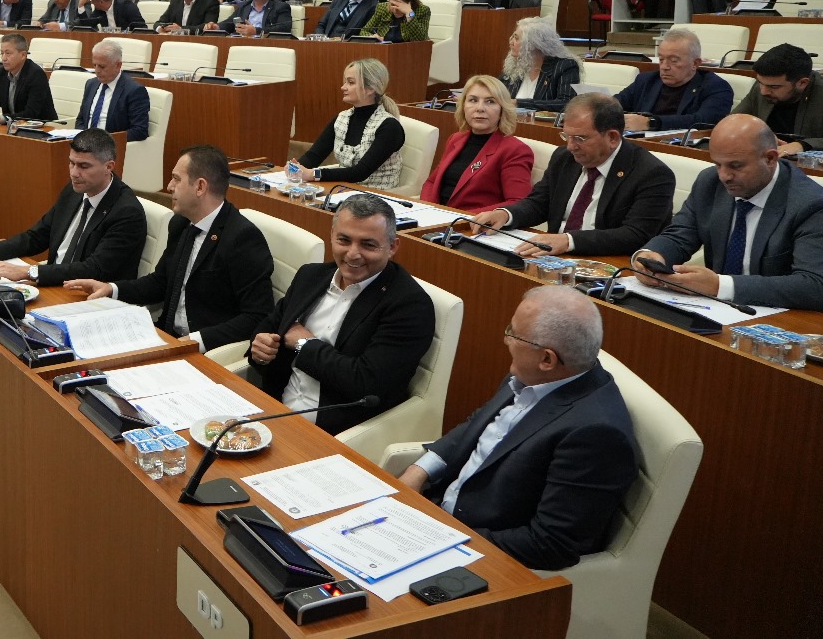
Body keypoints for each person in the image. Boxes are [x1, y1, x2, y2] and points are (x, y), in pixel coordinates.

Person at [397, 285, 639, 571]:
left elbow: (550, 544)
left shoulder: (596, 435)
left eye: (513, 333)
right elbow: (478, 424)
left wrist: (444, 537)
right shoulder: (535, 376)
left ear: (547, 359)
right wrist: (418, 471)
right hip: (434, 514)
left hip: (474, 552)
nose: (505, 339)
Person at [246, 195, 435, 433]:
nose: (352, 254)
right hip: (269, 409)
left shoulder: (409, 305)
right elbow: (268, 327)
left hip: (334, 431)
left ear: (392, 247)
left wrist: (305, 344)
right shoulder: (310, 276)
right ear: (332, 236)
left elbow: (365, 384)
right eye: (344, 240)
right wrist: (261, 349)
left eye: (368, 244)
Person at [65, 145, 273, 350]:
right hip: (166, 337)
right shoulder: (181, 224)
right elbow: (161, 282)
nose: (169, 186)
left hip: (207, 352)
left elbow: (257, 316)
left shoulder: (242, 238)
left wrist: (196, 341)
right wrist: (111, 289)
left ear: (200, 187)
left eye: (176, 179)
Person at [633, 114, 823, 310]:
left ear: (770, 158)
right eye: (717, 164)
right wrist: (651, 256)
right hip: (715, 310)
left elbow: (814, 285)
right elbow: (679, 235)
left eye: (736, 166)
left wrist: (719, 285)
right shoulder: (710, 183)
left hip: (779, 320)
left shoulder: (811, 205)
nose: (724, 176)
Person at [470, 93, 675, 256]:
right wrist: (505, 214)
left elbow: (635, 235)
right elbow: (539, 203)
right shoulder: (564, 158)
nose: (570, 146)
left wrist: (569, 241)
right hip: (552, 257)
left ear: (612, 137)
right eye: (566, 136)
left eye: (580, 138)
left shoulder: (652, 174)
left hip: (604, 263)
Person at [0, 129, 145, 285]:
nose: (74, 173)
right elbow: (37, 236)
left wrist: (29, 272)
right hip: (53, 283)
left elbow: (93, 269)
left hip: (89, 298)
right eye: (71, 163)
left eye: (84, 166)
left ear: (109, 167)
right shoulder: (73, 191)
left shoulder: (126, 212)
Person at [421, 75, 534, 212]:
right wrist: (428, 211)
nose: (480, 108)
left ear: (502, 110)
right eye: (473, 100)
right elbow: (432, 182)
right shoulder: (456, 139)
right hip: (436, 220)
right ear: (463, 106)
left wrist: (460, 218)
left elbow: (518, 202)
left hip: (474, 226)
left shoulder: (515, 150)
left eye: (490, 102)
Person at [293, 59, 407, 189]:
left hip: (376, 196)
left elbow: (360, 172)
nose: (343, 87)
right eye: (345, 82)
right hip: (344, 189)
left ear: (370, 89)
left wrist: (314, 174)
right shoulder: (342, 118)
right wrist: (296, 167)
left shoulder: (389, 127)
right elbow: (314, 155)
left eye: (350, 82)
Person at [615, 28, 733, 133]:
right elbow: (614, 104)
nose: (664, 67)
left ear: (695, 63)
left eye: (674, 60)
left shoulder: (716, 87)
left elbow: (703, 121)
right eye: (661, 60)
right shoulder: (646, 80)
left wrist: (650, 122)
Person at [734, 43, 823, 154]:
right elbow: (732, 121)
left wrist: (802, 145)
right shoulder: (762, 87)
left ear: (802, 83)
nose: (763, 91)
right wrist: (759, 135)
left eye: (774, 87)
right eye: (760, 83)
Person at [501, 16, 580, 111]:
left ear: (534, 44)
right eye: (512, 37)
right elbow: (496, 92)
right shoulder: (515, 65)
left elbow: (566, 103)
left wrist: (519, 103)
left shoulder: (564, 66)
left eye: (516, 38)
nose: (511, 42)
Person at [75, 41, 150, 141]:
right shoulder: (91, 84)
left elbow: (139, 131)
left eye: (102, 66)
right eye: (94, 65)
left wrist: (105, 141)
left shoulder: (134, 91)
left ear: (118, 65)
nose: (97, 70)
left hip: (110, 147)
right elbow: (81, 119)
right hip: (85, 145)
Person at [360, 0, 431, 42]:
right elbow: (364, 31)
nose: (395, 9)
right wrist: (372, 37)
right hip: (385, 50)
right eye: (392, 4)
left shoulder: (422, 11)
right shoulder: (382, 8)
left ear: (409, 3)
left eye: (398, 5)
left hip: (410, 51)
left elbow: (421, 39)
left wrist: (410, 14)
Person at [77, 0, 146, 32]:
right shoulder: (99, 10)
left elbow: (141, 29)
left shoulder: (126, 6)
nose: (92, 3)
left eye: (92, 1)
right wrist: (80, 6)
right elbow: (87, 26)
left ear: (101, 2)